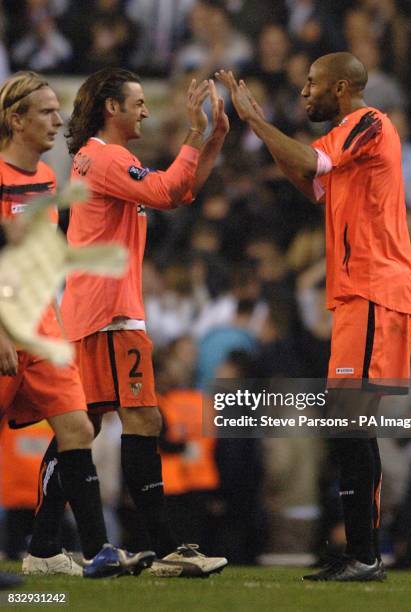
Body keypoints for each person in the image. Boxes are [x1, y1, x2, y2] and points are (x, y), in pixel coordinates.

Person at [217, 52, 411, 582]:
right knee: (348, 426)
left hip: (376, 287)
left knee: (353, 424)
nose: (304, 92)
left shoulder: (369, 123)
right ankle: (359, 553)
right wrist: (263, 132)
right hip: (357, 293)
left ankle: (367, 554)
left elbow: (309, 164)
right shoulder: (348, 145)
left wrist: (257, 121)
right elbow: (312, 184)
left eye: (312, 83)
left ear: (343, 87)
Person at [31, 67, 229, 578]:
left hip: (95, 311)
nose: (145, 110)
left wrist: (210, 141)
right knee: (143, 420)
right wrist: (192, 131)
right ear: (110, 108)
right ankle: (166, 550)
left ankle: (42, 545)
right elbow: (165, 192)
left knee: (83, 426)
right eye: (137, 102)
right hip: (111, 314)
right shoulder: (104, 157)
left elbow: (179, 191)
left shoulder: (107, 160)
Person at [0, 71, 155, 579]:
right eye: (45, 112)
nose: (57, 120)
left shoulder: (47, 178)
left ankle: (98, 552)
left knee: (77, 426)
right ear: (15, 119)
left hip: (43, 328)